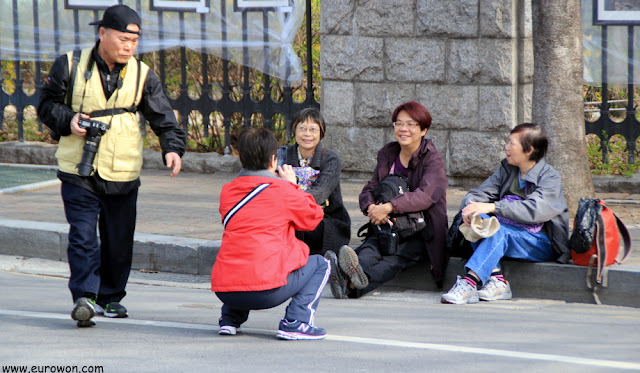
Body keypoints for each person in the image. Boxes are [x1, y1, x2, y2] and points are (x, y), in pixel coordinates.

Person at [37, 4, 186, 327]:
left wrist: (172, 149)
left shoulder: (143, 74)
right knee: (83, 238)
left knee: (119, 241)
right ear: (102, 33)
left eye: (134, 41)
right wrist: (69, 119)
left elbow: (163, 116)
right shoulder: (70, 64)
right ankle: (85, 297)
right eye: (123, 39)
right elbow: (46, 105)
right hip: (79, 169)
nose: (129, 47)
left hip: (123, 170)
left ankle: (112, 297)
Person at [211, 128, 330, 340]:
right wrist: (293, 186)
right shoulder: (283, 190)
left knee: (244, 250)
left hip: (225, 290)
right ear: (273, 159)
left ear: (242, 158)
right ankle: (297, 321)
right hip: (265, 293)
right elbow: (312, 218)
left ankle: (229, 319)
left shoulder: (227, 190)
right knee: (321, 264)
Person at [325, 101, 449, 299]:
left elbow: (426, 195)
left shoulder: (432, 159)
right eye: (399, 123)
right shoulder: (388, 154)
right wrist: (372, 207)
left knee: (395, 259)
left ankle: (349, 283)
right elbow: (370, 188)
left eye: (411, 124)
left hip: (421, 230)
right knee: (369, 251)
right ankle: (348, 275)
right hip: (388, 225)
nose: (403, 129)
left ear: (424, 130)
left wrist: (390, 206)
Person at [441, 123, 570, 304]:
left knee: (498, 229)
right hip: (506, 234)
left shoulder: (550, 177)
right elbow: (478, 194)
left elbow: (533, 210)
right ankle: (498, 280)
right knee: (482, 221)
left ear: (529, 150)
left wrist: (494, 207)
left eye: (511, 144)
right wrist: (470, 209)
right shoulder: (508, 170)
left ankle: (469, 283)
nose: (506, 148)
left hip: (541, 243)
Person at [282, 107, 350, 255]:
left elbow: (320, 193)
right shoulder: (283, 156)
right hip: (290, 215)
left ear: (321, 133)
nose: (307, 134)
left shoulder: (330, 158)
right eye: (302, 128)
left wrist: (292, 187)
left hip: (326, 218)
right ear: (294, 131)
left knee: (297, 226)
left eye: (313, 129)